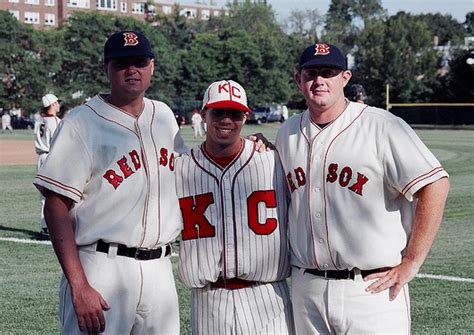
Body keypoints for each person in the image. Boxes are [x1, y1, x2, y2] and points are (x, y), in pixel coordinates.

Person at [275, 43, 450, 334]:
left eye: (328, 72)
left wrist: (411, 262)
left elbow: (435, 185)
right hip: (307, 288)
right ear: (298, 79)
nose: (319, 81)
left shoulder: (381, 126)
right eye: (311, 73)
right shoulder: (286, 133)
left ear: (345, 78)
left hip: (370, 290)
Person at [33, 31, 185, 335]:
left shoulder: (164, 116)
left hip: (159, 270)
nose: (132, 69)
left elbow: (191, 171)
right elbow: (55, 207)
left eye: (139, 61)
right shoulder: (81, 122)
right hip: (101, 267)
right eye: (121, 63)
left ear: (152, 66)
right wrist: (79, 286)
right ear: (107, 69)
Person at [175, 80, 295, 335]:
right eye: (218, 112)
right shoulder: (181, 167)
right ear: (204, 113)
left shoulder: (273, 160)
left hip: (268, 296)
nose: (226, 120)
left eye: (235, 113)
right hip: (209, 301)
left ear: (245, 116)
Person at [35, 93, 61, 239]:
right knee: (57, 194)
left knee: (44, 195)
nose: (58, 105)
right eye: (56, 102)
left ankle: (44, 227)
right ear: (52, 104)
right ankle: (55, 227)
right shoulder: (55, 121)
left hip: (41, 158)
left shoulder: (40, 121)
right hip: (52, 157)